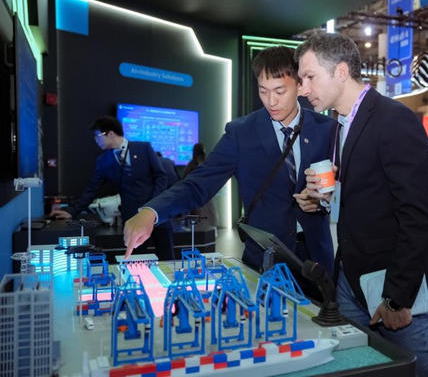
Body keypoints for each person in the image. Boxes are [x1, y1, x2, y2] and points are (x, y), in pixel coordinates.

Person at [295, 33, 428, 377]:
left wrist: (396, 297)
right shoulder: (340, 124)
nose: (303, 89)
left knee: (425, 373)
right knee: (360, 369)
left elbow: (418, 216)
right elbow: (366, 194)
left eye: (309, 77)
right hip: (352, 280)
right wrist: (322, 198)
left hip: (395, 283)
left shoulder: (394, 119)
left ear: (341, 72)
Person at [122, 46, 336, 277]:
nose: (271, 101)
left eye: (279, 91)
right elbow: (199, 183)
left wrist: (323, 202)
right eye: (263, 91)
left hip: (316, 260)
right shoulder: (242, 133)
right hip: (266, 260)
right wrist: (152, 212)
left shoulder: (326, 130)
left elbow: (347, 190)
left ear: (299, 85)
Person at [50, 116, 174, 260]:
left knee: (167, 257)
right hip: (132, 216)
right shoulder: (104, 160)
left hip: (157, 213)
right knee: (137, 260)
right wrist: (72, 211)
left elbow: (161, 176)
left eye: (97, 136)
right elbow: (92, 188)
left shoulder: (143, 148)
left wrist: (154, 204)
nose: (96, 140)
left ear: (110, 133)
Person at [183, 143, 218, 227]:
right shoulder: (206, 164)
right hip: (206, 197)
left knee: (197, 222)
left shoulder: (190, 166)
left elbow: (185, 181)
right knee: (207, 220)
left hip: (194, 198)